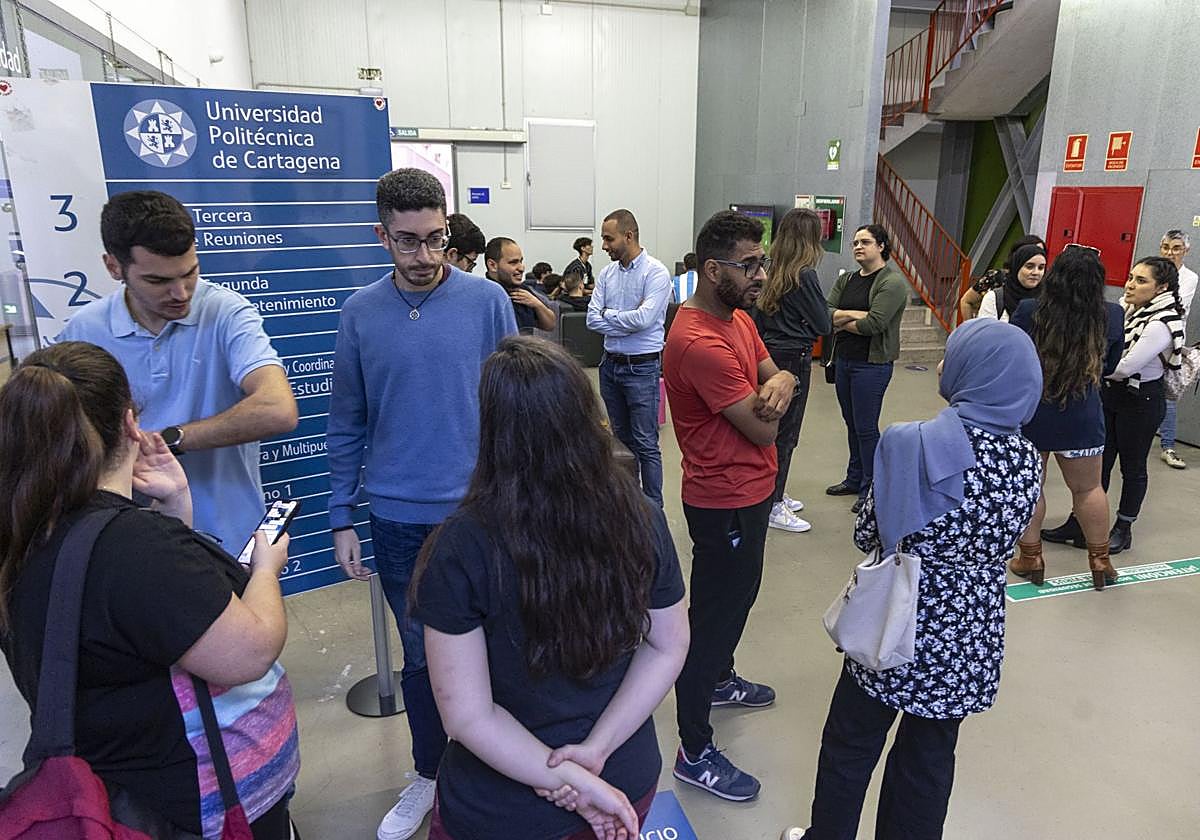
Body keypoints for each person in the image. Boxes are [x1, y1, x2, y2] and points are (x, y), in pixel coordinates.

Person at [0, 341, 300, 839]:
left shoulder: (26, 534)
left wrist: (174, 509)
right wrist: (266, 569)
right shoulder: (134, 546)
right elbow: (249, 651)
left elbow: (141, 612)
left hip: (111, 788)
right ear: (130, 424)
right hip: (186, 808)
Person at [412, 336, 690, 840]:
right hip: (623, 779)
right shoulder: (641, 515)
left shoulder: (462, 545)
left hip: (503, 807)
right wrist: (594, 754)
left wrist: (564, 776)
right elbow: (668, 645)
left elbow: (467, 716)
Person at [780, 318, 1043, 840]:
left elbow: (867, 532)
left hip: (898, 616)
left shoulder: (909, 443)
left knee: (851, 744)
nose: (943, 364)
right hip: (970, 629)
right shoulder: (1026, 459)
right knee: (928, 761)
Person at [328, 168, 518, 840]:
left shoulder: (487, 301)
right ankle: (431, 772)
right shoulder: (360, 313)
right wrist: (341, 515)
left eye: (436, 238)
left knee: (500, 645)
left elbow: (516, 404)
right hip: (397, 519)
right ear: (381, 236)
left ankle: (498, 768)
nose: (425, 255)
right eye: (408, 241)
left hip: (484, 513)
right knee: (420, 656)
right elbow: (346, 420)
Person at [55, 189, 298, 553]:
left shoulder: (227, 313)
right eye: (158, 281)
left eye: (190, 273)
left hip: (229, 539)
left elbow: (278, 409)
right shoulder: (84, 330)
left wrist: (165, 441)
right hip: (129, 541)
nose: (181, 293)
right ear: (114, 267)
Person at [664, 209, 798, 802]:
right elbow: (765, 429)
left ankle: (720, 680)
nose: (761, 274)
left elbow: (779, 375)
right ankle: (693, 750)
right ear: (712, 269)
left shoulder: (739, 318)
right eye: (749, 265)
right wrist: (780, 389)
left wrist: (784, 382)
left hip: (752, 491)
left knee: (740, 598)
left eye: (761, 262)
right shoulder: (699, 341)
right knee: (712, 623)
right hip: (722, 500)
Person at [1010, 246, 1125, 590]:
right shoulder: (1113, 314)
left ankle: (1031, 558)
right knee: (1089, 488)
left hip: (1033, 412)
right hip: (1083, 412)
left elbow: (1016, 357)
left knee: (1032, 486)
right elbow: (1110, 365)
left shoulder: (1029, 310)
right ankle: (1100, 561)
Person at [753, 208, 833, 533]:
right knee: (787, 434)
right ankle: (773, 504)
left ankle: (772, 492)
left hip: (769, 355)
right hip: (795, 359)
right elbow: (823, 323)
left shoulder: (769, 269)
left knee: (770, 428)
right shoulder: (805, 275)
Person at [586, 209, 673, 507]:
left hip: (642, 369)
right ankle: (629, 505)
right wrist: (626, 318)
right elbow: (592, 319)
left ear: (629, 236)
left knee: (646, 443)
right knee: (620, 442)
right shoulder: (606, 274)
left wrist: (608, 314)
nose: (603, 246)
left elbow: (645, 319)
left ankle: (653, 510)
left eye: (608, 239)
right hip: (610, 366)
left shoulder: (656, 273)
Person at [1101, 256, 1185, 554]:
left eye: (1141, 280)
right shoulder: (1129, 310)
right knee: (1100, 462)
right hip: (1113, 394)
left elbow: (1125, 366)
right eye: (1130, 277)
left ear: (1161, 287)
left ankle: (1123, 528)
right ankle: (1082, 521)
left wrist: (1089, 366)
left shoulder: (1162, 322)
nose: (1130, 285)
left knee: (1132, 467)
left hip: (1141, 400)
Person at [824, 224, 908, 514]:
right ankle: (854, 478)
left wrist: (840, 319)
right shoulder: (846, 279)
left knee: (865, 427)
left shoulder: (892, 283)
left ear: (881, 246)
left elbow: (874, 324)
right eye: (856, 243)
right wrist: (853, 315)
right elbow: (825, 313)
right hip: (844, 360)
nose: (858, 247)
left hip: (871, 366)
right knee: (851, 423)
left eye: (866, 242)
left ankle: (871, 488)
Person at [1157, 230, 1197, 469]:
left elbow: (1175, 305)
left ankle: (1168, 446)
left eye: (1176, 248)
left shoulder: (1189, 277)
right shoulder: (1150, 269)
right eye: (1165, 247)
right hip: (1147, 336)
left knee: (1169, 394)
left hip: (1172, 342)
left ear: (1186, 251)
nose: (1169, 253)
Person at [958, 234, 1046, 321]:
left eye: (1041, 267)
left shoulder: (1047, 297)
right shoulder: (995, 290)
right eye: (1029, 266)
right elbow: (966, 301)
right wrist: (971, 327)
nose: (1036, 272)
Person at [485, 237, 557, 334]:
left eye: (520, 261)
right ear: (492, 265)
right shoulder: (484, 295)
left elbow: (550, 325)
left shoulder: (523, 291)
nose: (521, 268)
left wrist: (537, 305)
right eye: (513, 263)